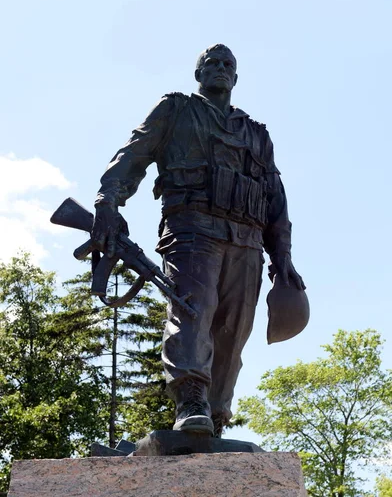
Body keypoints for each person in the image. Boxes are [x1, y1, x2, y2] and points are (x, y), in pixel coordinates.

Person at [92, 44, 305, 438]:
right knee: (193, 312)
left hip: (247, 239)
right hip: (192, 229)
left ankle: (216, 417)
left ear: (236, 79)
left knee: (233, 330)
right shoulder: (175, 109)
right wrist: (108, 199)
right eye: (211, 63)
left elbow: (275, 195)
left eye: (228, 65)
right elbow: (133, 155)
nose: (220, 68)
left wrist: (283, 255)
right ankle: (191, 400)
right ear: (199, 74)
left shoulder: (256, 133)